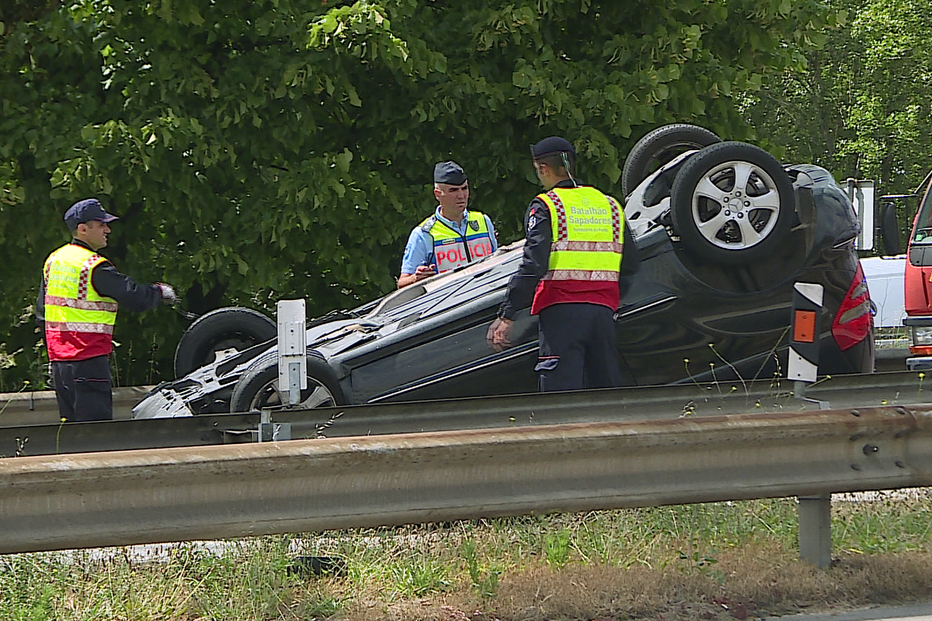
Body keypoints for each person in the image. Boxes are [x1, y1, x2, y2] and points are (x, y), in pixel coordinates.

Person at [486, 136, 640, 392]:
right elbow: (631, 263)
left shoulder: (547, 205)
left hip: (561, 313)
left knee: (561, 395)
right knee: (606, 392)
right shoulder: (609, 205)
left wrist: (508, 314)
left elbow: (534, 264)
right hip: (603, 313)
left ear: (544, 168)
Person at [36, 198, 177, 422]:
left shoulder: (54, 260)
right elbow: (132, 295)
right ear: (83, 229)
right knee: (96, 433)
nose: (108, 230)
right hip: (88, 361)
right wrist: (160, 293)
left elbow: (41, 313)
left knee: (71, 431)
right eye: (101, 224)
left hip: (60, 364)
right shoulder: (91, 265)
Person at [397, 161, 498, 289]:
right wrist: (416, 279)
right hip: (451, 300)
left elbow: (498, 260)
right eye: (453, 190)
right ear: (438, 194)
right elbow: (402, 284)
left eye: (464, 188)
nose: (461, 196)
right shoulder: (424, 234)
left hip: (487, 294)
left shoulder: (483, 221)